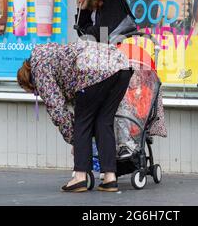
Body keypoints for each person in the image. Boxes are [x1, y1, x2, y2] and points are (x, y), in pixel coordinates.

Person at [17, 40, 133, 193]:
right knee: (104, 121)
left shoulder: (39, 69)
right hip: (122, 66)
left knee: (82, 122)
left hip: (92, 71)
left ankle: (80, 177)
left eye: (34, 91)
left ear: (29, 82)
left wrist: (75, 140)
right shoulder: (48, 52)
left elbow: (58, 111)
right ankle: (110, 178)